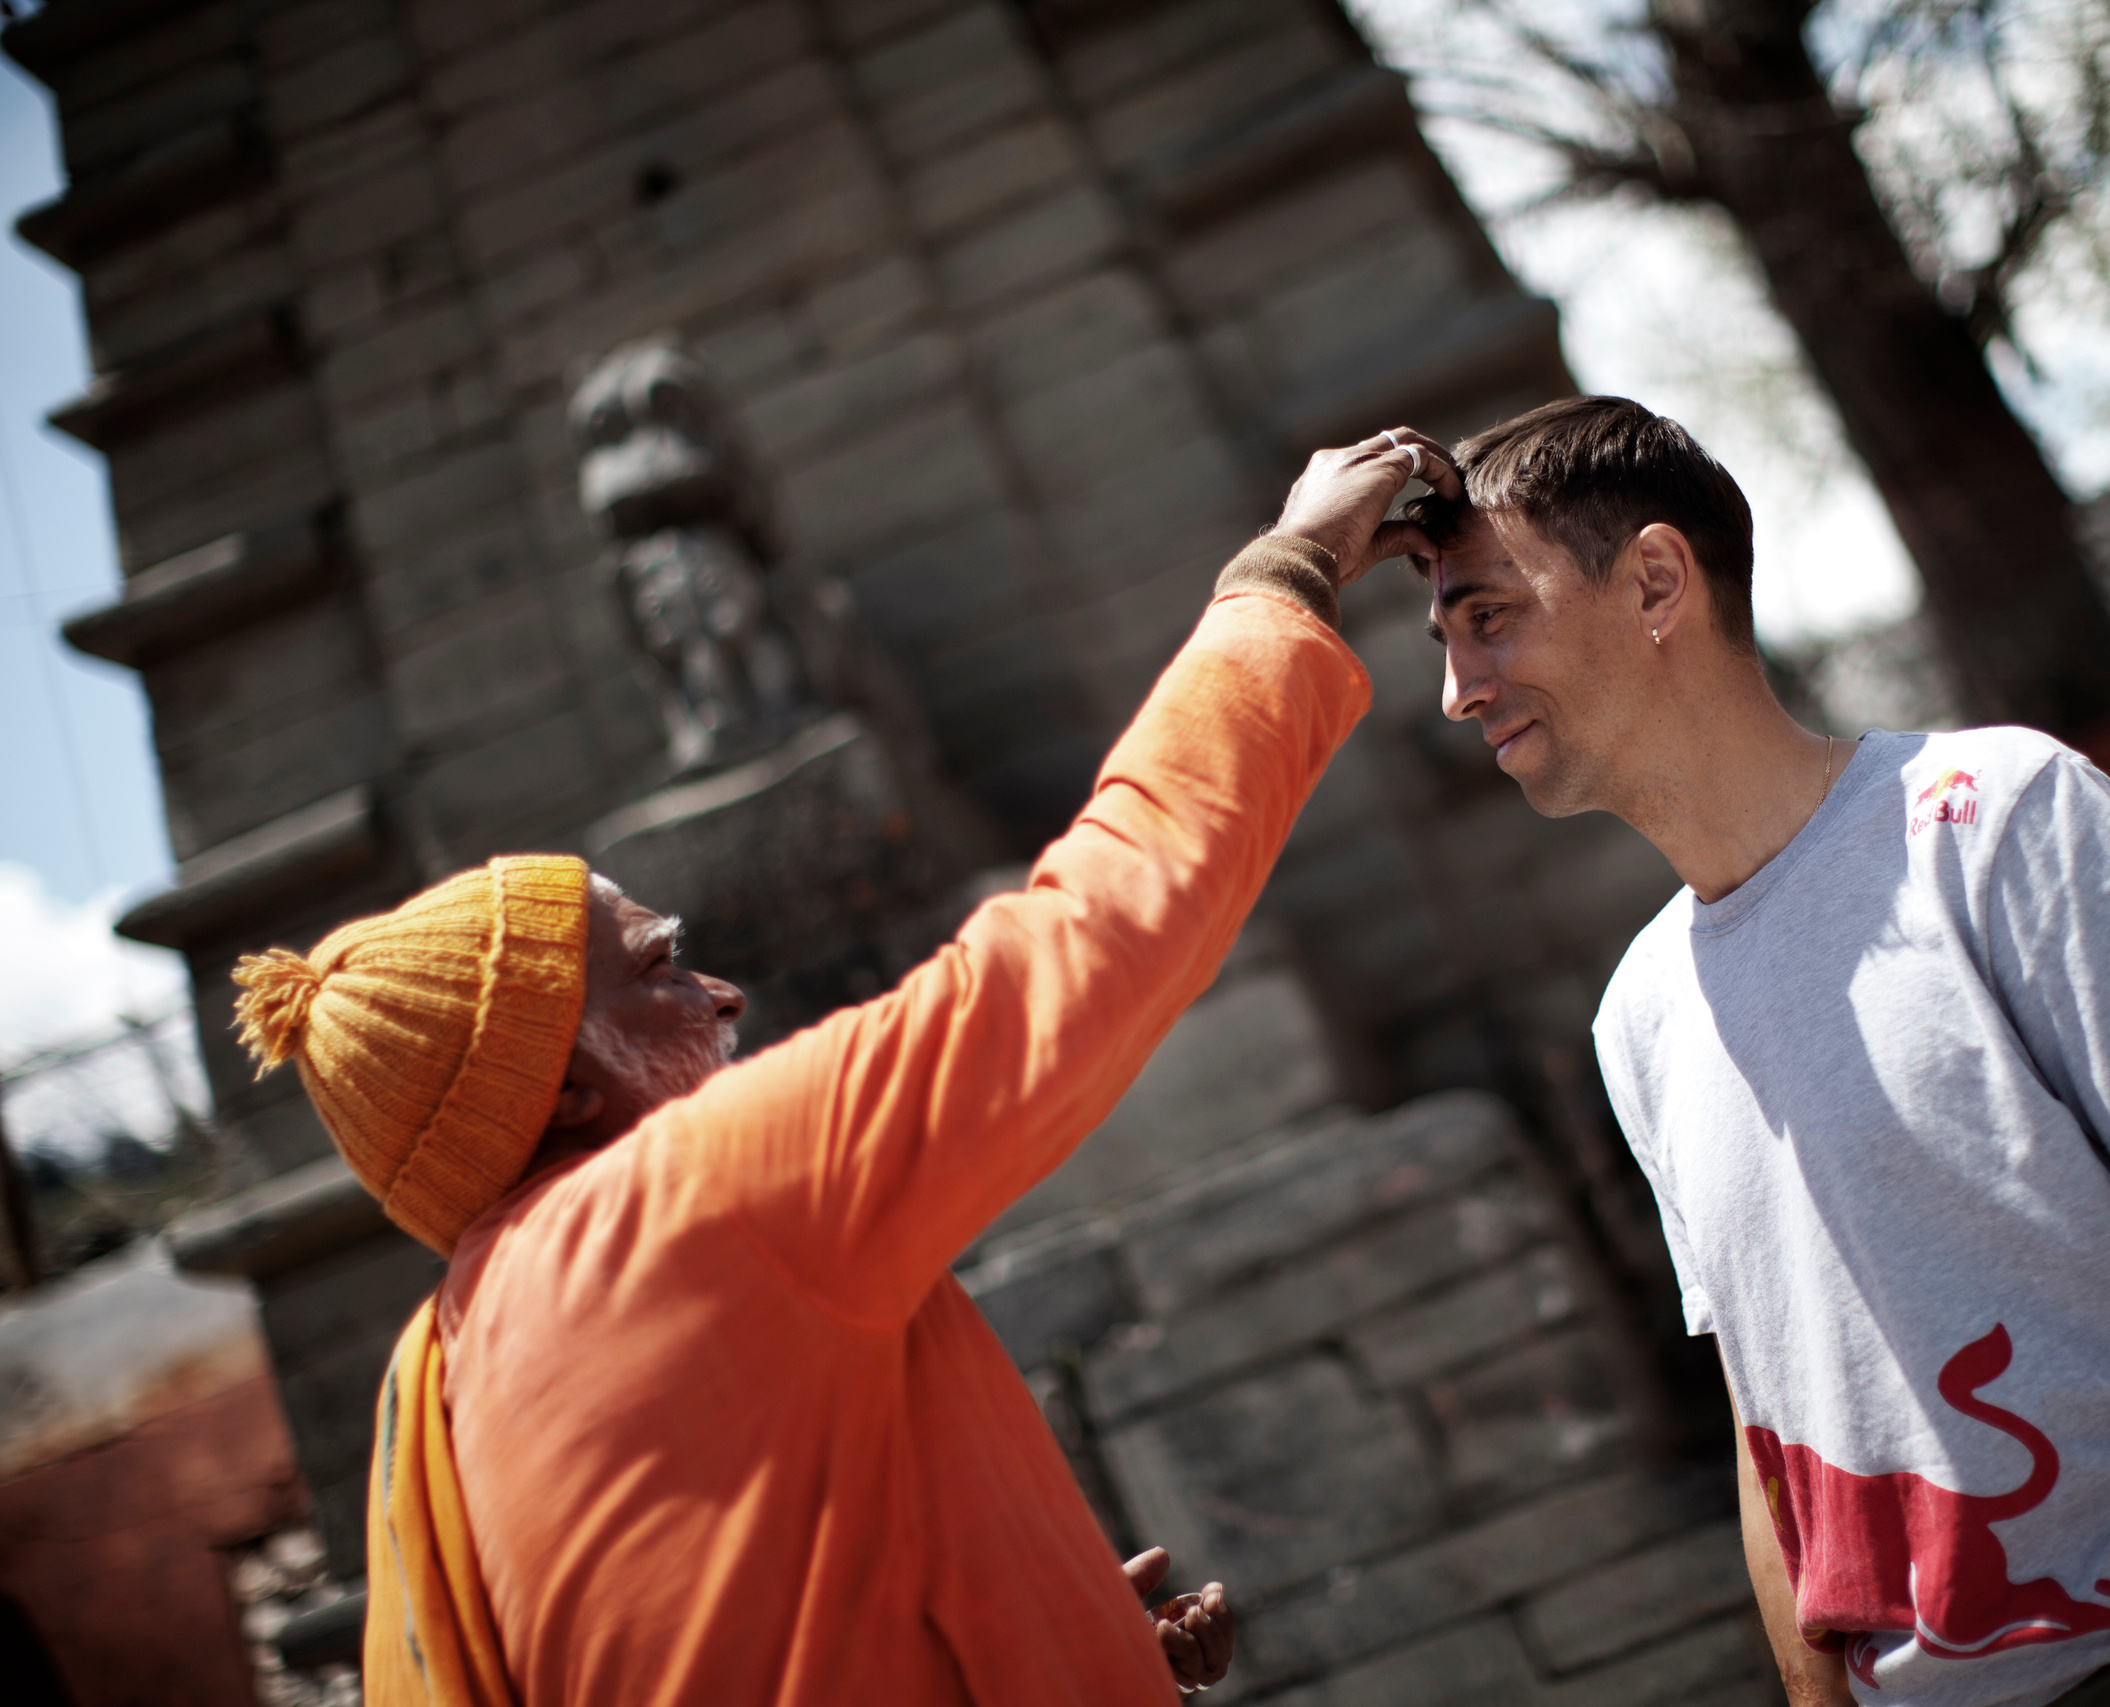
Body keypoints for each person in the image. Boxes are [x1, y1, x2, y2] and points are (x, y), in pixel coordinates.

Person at [227, 431, 1461, 1707]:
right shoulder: (680, 1209)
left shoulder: (451, 1365)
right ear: (570, 1091)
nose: (722, 992)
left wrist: (1073, 1641)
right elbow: (1094, 939)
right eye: (659, 969)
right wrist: (1290, 570)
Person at [1408, 395, 2110, 1707]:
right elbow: (1766, 1427)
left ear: (1658, 580)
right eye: (1445, 640)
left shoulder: (1996, 815)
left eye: (1490, 617)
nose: (1456, 689)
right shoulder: (1641, 1014)